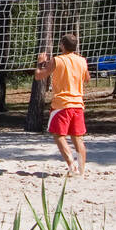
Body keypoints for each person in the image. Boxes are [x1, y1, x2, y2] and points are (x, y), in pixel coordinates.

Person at [35, 32, 90, 175]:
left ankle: (72, 165)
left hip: (62, 104)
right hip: (78, 104)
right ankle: (82, 171)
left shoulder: (57, 60)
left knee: (58, 135)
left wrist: (41, 62)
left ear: (62, 45)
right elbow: (87, 78)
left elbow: (39, 75)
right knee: (77, 137)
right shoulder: (82, 61)